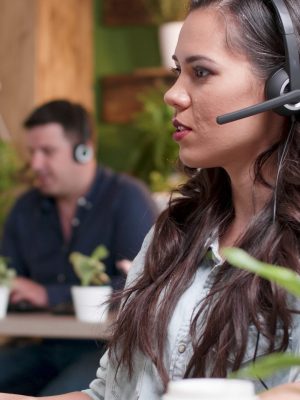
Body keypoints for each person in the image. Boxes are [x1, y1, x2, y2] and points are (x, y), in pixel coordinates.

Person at [0, 0, 300, 399]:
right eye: (179, 72)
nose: (172, 95)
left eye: (201, 72)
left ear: (285, 88)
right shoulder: (172, 233)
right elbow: (107, 394)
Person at [0, 99, 158, 396]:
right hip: (42, 346)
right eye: (32, 153)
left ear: (83, 151)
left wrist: (48, 295)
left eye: (47, 152)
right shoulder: (25, 208)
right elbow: (9, 276)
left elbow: (145, 285)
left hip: (104, 351)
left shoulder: (126, 199)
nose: (35, 164)